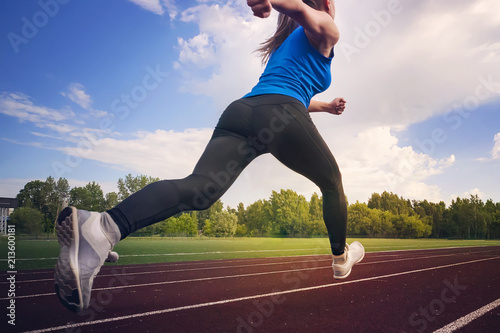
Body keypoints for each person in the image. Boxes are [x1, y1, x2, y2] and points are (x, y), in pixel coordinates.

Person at [54, 0, 365, 313]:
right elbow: (298, 8)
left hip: (242, 113)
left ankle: (102, 227)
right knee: (332, 182)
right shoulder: (327, 28)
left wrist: (325, 106)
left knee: (200, 189)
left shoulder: (288, 44)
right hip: (280, 115)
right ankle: (341, 258)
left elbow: (295, 89)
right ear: (326, 4)